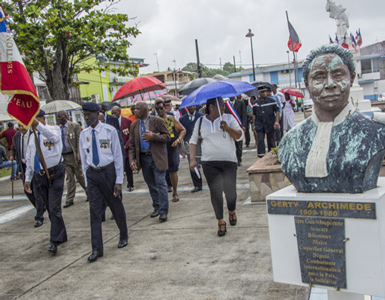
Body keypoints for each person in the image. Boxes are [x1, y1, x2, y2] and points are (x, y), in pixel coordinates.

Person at [279, 44, 385, 193]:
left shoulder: (377, 132)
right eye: (319, 77)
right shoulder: (291, 140)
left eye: (338, 75)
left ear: (352, 78)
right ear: (307, 85)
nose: (330, 84)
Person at [79, 102, 128, 263]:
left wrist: (119, 180)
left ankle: (123, 234)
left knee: (115, 205)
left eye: (89, 115)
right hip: (93, 175)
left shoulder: (109, 131)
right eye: (84, 115)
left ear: (97, 114)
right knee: (94, 212)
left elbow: (118, 156)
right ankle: (96, 249)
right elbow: (84, 162)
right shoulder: (83, 134)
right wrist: (86, 183)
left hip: (108, 173)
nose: (86, 118)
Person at [189, 97, 244, 237]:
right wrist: (192, 160)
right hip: (209, 163)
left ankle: (232, 211)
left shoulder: (229, 118)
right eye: (220, 105)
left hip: (229, 161)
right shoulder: (201, 121)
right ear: (212, 107)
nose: (223, 107)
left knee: (230, 191)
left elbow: (239, 136)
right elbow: (193, 141)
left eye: (223, 105)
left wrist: (227, 127)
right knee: (215, 192)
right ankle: (220, 220)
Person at [24, 109, 67, 255]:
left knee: (54, 207)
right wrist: (28, 177)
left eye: (35, 120)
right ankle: (62, 234)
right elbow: (30, 158)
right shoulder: (32, 137)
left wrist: (39, 126)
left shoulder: (53, 129)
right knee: (50, 208)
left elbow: (54, 138)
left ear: (42, 119)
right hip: (40, 176)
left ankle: (53, 241)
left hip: (55, 173)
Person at [128, 102, 170, 222]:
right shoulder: (134, 125)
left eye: (138, 109)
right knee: (151, 185)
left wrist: (154, 136)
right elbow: (131, 145)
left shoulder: (157, 121)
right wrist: (132, 160)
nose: (135, 111)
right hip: (143, 159)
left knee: (161, 183)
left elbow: (167, 137)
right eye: (134, 109)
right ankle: (156, 207)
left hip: (156, 157)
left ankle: (163, 211)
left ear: (145, 110)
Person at [10, 124, 45, 227]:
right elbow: (14, 149)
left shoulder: (32, 134)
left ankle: (39, 216)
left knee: (37, 190)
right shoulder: (16, 136)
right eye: (20, 126)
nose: (21, 128)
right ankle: (41, 207)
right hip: (24, 165)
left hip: (34, 166)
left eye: (23, 125)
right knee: (27, 191)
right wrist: (12, 156)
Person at [154, 99, 186, 202]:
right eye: (157, 108)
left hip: (171, 146)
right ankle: (163, 192)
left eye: (161, 108)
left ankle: (175, 192)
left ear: (165, 108)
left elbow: (183, 130)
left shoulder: (171, 119)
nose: (159, 110)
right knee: (160, 171)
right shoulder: (154, 121)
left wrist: (178, 140)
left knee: (173, 170)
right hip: (159, 147)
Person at [56, 111, 87, 208]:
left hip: (73, 155)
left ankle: (88, 191)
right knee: (69, 178)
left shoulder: (74, 126)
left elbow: (79, 140)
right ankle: (69, 199)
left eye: (60, 116)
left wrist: (78, 154)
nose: (58, 118)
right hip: (64, 156)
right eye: (57, 117)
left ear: (65, 116)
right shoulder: (58, 129)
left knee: (79, 176)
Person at [179, 105, 204, 192]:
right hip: (189, 146)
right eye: (190, 106)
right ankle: (197, 185)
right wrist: (181, 149)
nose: (192, 107)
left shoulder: (201, 116)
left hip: (201, 145)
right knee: (193, 165)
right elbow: (181, 134)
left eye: (194, 105)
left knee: (205, 164)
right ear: (187, 107)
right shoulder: (182, 119)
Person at [111, 106, 134, 191]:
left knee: (128, 168)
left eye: (115, 112)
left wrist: (126, 145)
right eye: (112, 113)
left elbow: (131, 135)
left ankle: (130, 184)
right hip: (116, 150)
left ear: (119, 112)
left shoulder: (127, 121)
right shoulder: (111, 123)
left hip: (126, 149)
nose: (114, 115)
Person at [253, 85, 280, 158]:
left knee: (271, 140)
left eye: (265, 92)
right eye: (262, 92)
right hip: (260, 124)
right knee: (260, 140)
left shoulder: (271, 101)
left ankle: (271, 154)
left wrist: (276, 121)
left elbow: (277, 111)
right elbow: (254, 114)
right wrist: (254, 125)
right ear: (259, 93)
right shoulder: (256, 103)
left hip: (270, 123)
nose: (264, 93)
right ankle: (261, 156)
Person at [225, 95, 247, 166]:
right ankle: (233, 159)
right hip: (229, 127)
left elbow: (244, 114)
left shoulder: (240, 103)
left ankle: (239, 159)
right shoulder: (226, 104)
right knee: (231, 144)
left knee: (239, 144)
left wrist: (244, 125)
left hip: (238, 126)